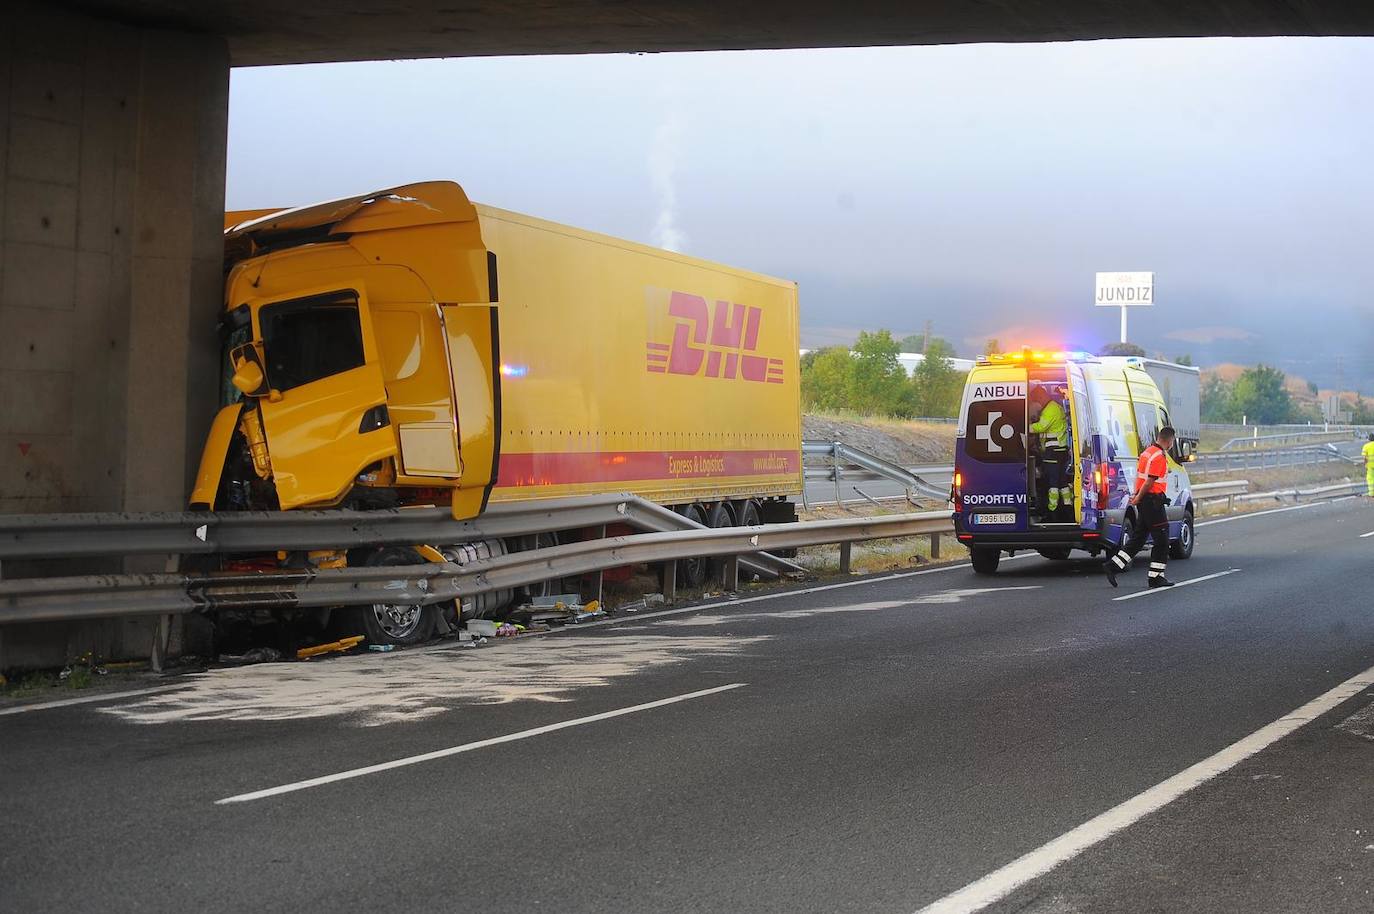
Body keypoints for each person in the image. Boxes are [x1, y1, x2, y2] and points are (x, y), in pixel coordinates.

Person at [1104, 425, 1177, 589]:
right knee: (1162, 539)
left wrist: (1138, 496)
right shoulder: (1159, 456)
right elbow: (1150, 481)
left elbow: (1142, 478)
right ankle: (1156, 577)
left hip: (1147, 502)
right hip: (1151, 502)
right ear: (1170, 440)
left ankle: (1113, 565)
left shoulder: (1147, 452)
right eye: (1172, 441)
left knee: (1138, 539)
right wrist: (1138, 498)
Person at [1029, 386, 1071, 520]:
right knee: (1062, 482)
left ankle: (1052, 512)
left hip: (1053, 452)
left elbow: (1041, 427)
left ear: (1041, 396)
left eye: (1037, 400)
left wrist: (1025, 426)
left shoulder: (1050, 409)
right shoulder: (1054, 407)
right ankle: (1067, 507)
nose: (1038, 403)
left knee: (1051, 482)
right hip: (1060, 451)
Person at [1364, 433, 1374, 497]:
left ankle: (1372, 494)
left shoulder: (1366, 446)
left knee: (1370, 480)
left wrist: (1365, 465)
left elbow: (1365, 458)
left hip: (1370, 467)